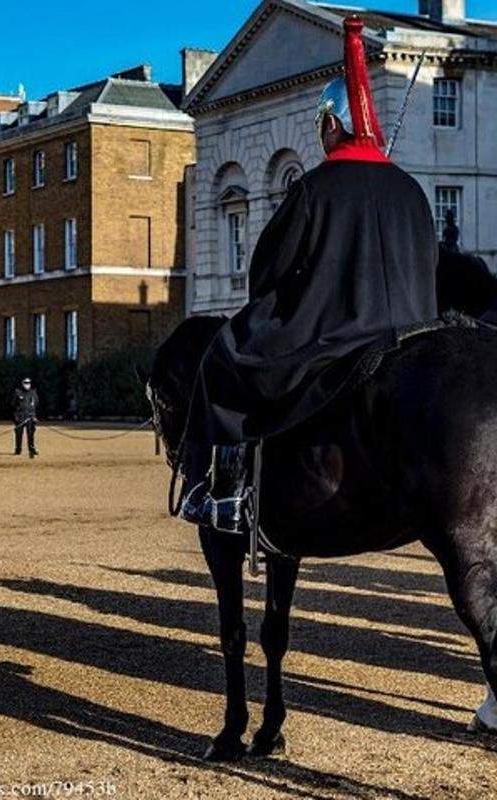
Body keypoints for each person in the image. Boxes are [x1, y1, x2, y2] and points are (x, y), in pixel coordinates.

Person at [177, 15, 438, 535]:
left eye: (322, 122)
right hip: (414, 334)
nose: (320, 133)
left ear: (334, 124)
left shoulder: (315, 190)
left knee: (222, 357)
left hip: (335, 338)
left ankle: (220, 492)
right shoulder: (411, 190)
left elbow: (269, 273)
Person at [13, 377, 39, 458]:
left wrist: (34, 416)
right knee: (19, 434)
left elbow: (36, 404)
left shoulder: (33, 393)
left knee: (31, 434)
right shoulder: (17, 392)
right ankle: (18, 449)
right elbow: (13, 404)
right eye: (25, 382)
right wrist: (16, 416)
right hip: (20, 416)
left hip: (30, 416)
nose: (27, 384)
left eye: (28, 382)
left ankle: (31, 449)